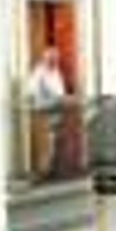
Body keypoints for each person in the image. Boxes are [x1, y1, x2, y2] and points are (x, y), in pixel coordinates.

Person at [24, 45, 68, 179]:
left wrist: (63, 99)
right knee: (45, 144)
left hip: (56, 110)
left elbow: (60, 91)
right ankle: (42, 172)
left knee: (54, 141)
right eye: (52, 58)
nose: (55, 61)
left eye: (56, 58)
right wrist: (41, 101)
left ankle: (53, 169)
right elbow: (31, 92)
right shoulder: (39, 72)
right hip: (43, 112)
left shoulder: (56, 71)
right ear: (45, 58)